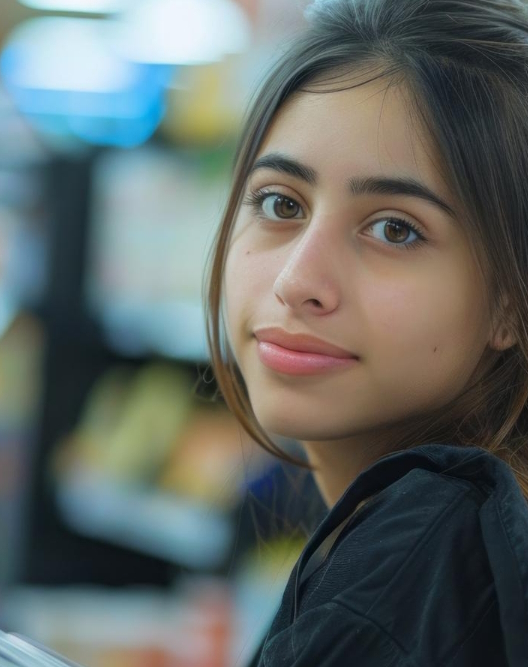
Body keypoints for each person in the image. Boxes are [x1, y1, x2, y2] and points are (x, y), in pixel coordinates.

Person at [204, 0, 528, 664]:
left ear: (510, 303)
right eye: (281, 203)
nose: (298, 280)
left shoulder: (425, 562)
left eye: (394, 229)